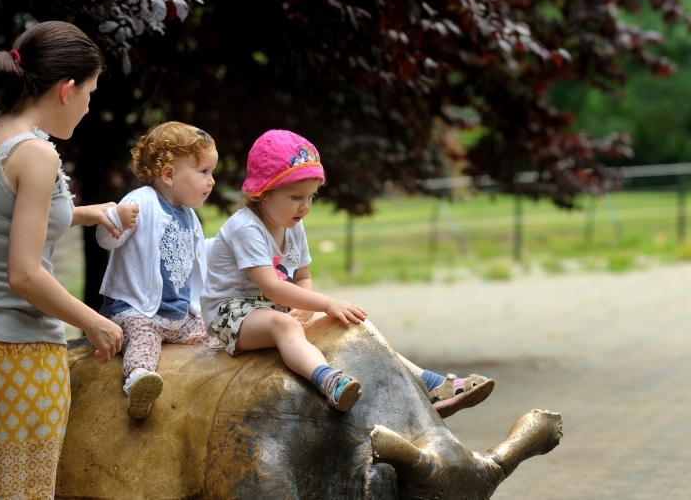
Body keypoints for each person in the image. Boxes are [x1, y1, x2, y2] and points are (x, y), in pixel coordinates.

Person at [0, 21, 125, 499]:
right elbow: (24, 273)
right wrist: (97, 323)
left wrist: (88, 214)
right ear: (66, 89)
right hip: (19, 354)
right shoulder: (36, 154)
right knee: (20, 492)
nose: (89, 105)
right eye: (89, 93)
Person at [201, 129, 495, 415]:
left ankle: (429, 384)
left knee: (350, 324)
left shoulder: (293, 225)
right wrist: (325, 303)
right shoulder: (246, 227)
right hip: (231, 314)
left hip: (273, 308)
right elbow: (272, 287)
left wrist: (308, 308)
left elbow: (303, 278)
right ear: (263, 192)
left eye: (311, 197)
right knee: (286, 326)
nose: (305, 207)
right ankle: (328, 380)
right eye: (295, 197)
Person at [96, 121, 223, 419]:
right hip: (138, 310)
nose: (212, 180)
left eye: (211, 172)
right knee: (142, 340)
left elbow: (199, 255)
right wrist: (115, 219)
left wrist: (231, 244)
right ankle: (139, 381)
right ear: (168, 174)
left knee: (217, 334)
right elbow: (106, 239)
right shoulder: (140, 202)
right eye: (204, 172)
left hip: (177, 317)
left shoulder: (189, 216)